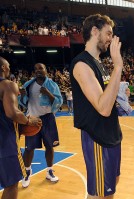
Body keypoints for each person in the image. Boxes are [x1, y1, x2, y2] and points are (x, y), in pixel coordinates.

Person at [70, 14, 123, 199]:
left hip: (111, 133)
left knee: (111, 186)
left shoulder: (99, 63)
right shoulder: (81, 65)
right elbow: (103, 108)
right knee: (100, 194)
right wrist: (118, 67)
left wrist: (120, 95)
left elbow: (106, 98)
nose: (110, 39)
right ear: (94, 31)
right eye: (108, 33)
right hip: (97, 138)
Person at [0, 57, 42, 199]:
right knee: (11, 186)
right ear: (3, 68)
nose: (10, 68)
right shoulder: (8, 85)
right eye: (8, 65)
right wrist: (29, 120)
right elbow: (12, 113)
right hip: (5, 143)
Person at [18, 63, 63, 188]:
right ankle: (27, 172)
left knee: (50, 146)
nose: (38, 70)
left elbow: (59, 102)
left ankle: (49, 171)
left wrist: (49, 93)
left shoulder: (52, 85)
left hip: (48, 119)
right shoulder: (28, 85)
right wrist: (22, 96)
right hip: (32, 119)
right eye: (36, 69)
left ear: (45, 70)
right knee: (29, 148)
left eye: (41, 68)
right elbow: (23, 103)